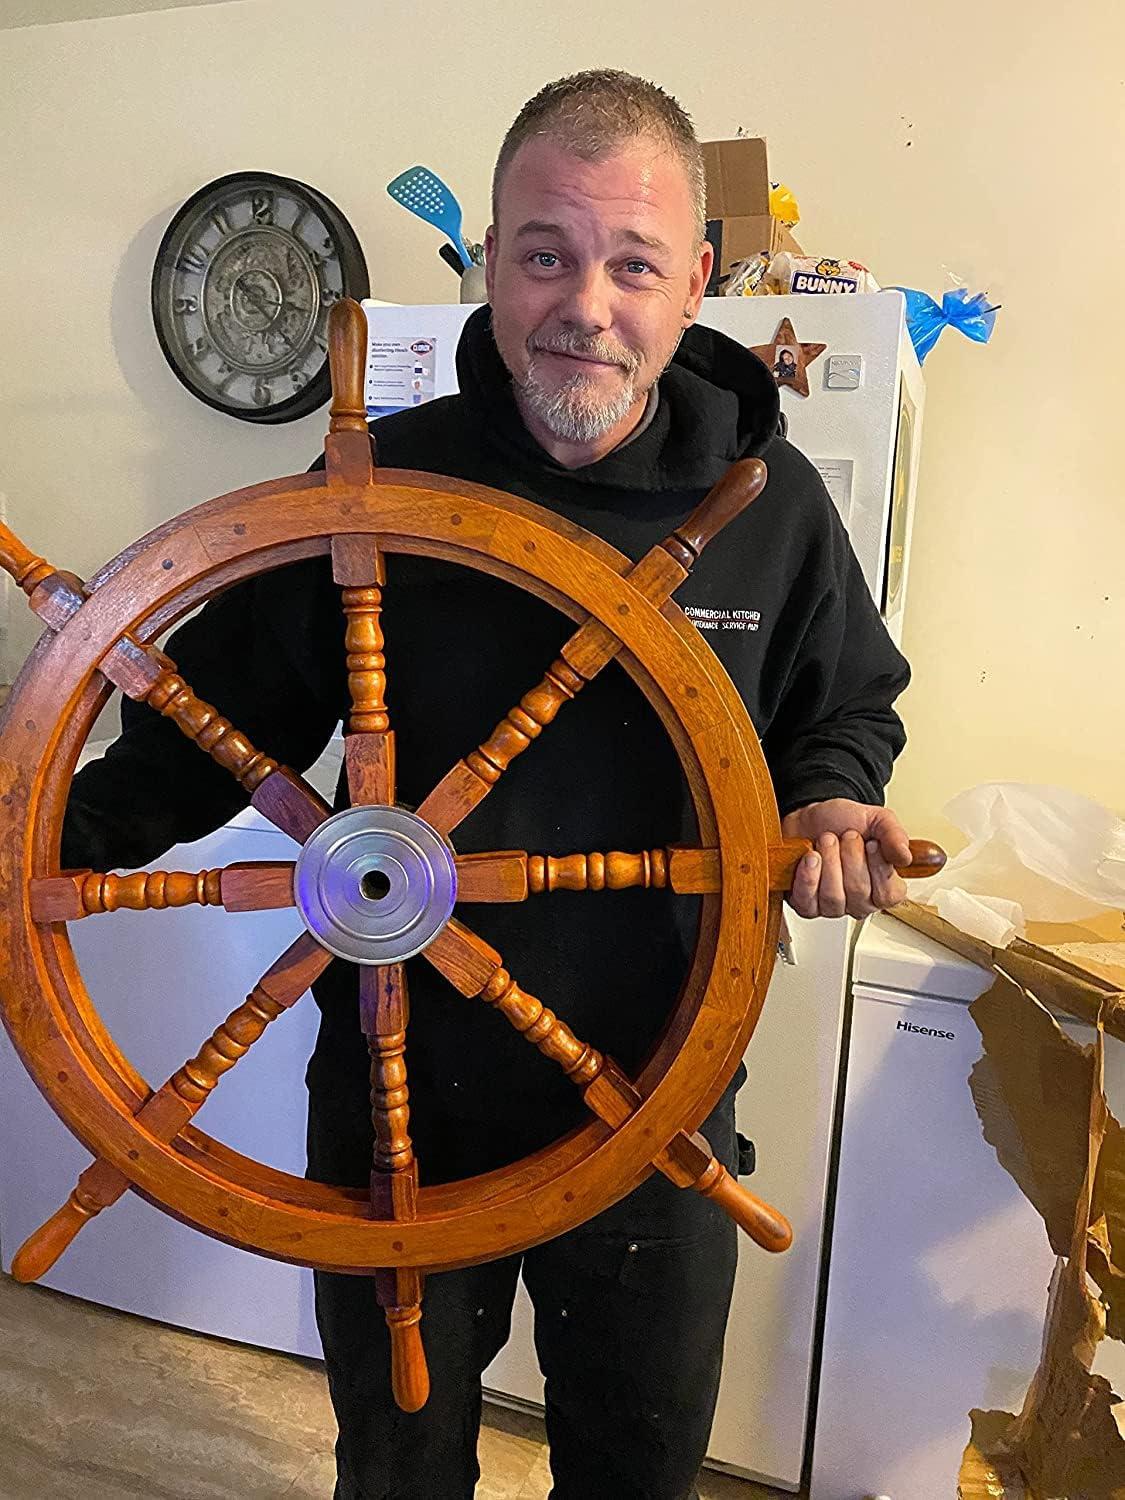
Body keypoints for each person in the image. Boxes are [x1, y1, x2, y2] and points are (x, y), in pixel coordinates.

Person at [63, 69, 914, 1500]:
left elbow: (847, 710)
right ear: (488, 264)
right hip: (403, 1096)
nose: (585, 301)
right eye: (542, 253)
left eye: (633, 262)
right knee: (396, 1476)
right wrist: (43, 846)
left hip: (657, 1092)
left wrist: (829, 793)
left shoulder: (771, 510)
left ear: (695, 277)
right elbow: (194, 739)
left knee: (631, 1477)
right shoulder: (375, 483)